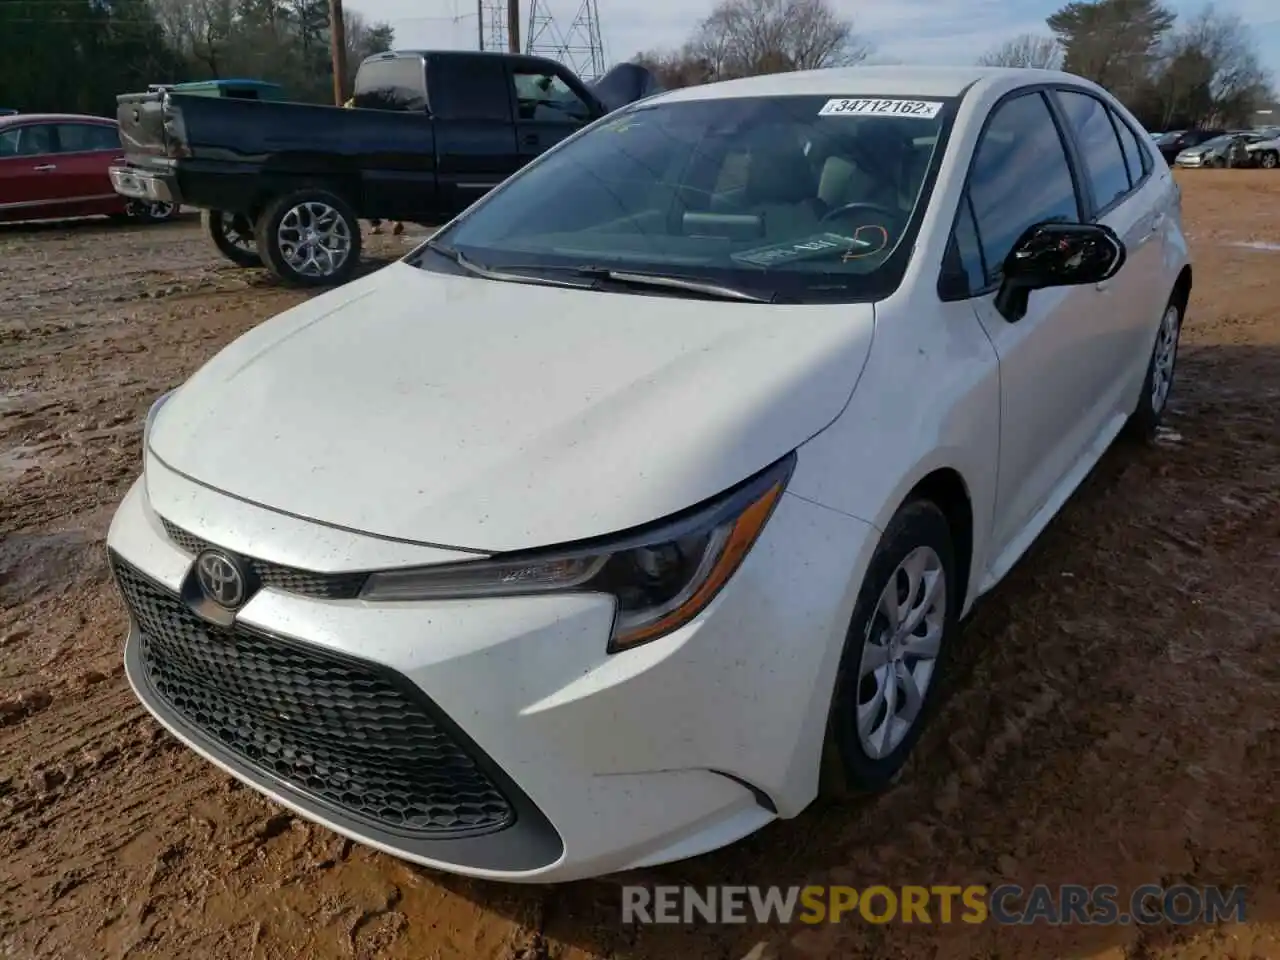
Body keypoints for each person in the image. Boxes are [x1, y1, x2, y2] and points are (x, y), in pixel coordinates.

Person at [342, 96, 403, 236]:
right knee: (382, 189)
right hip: (377, 153)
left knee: (367, 192)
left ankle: (378, 224)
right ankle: (393, 220)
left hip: (364, 155)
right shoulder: (373, 105)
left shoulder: (352, 106)